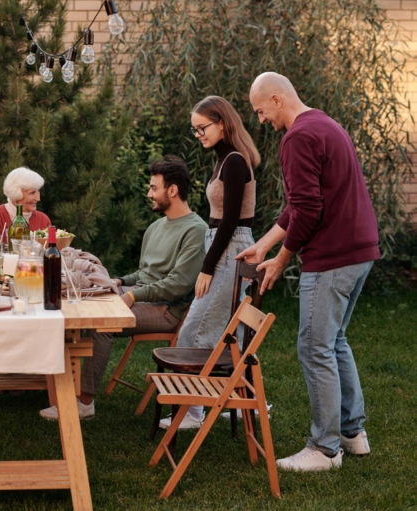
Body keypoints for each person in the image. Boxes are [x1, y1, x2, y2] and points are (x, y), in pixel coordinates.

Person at [240, 72, 379, 471]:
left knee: (314, 348)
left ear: (278, 99)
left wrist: (282, 259)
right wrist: (264, 244)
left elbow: (309, 209)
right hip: (359, 251)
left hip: (333, 257)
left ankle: (324, 448)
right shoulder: (325, 123)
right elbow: (301, 203)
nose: (261, 120)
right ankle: (352, 434)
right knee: (334, 342)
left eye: (261, 110)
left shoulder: (297, 137)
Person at [40, 156, 207, 420]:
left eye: (154, 187)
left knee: (101, 324)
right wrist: (118, 282)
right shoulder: (155, 227)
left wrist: (132, 295)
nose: (149, 193)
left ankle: (84, 403)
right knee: (74, 304)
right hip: (143, 295)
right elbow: (145, 273)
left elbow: (178, 285)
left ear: (172, 190)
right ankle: (49, 383)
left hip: (167, 310)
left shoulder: (196, 231)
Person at [165, 96, 261, 430]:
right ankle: (217, 402)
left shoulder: (234, 161)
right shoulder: (224, 160)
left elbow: (232, 221)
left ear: (222, 122)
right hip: (222, 244)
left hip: (229, 247)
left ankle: (194, 410)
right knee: (204, 325)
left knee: (198, 328)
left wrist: (207, 267)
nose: (199, 134)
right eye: (194, 130)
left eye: (202, 127)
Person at [0, 166, 52, 244]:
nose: (38, 198)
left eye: (38, 192)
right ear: (16, 193)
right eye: (32, 193)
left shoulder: (43, 220)